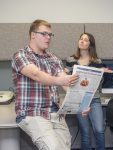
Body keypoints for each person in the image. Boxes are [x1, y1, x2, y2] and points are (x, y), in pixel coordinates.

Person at [11, 19, 81, 150]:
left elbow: (65, 82)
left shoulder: (53, 58)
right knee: (52, 147)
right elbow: (36, 74)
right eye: (44, 34)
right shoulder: (20, 55)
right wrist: (60, 81)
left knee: (64, 147)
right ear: (33, 35)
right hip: (32, 112)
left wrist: (81, 102)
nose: (48, 37)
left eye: (50, 35)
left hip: (55, 112)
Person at [66, 32, 113, 150]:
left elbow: (101, 82)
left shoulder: (97, 61)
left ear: (90, 44)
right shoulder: (71, 59)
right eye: (80, 39)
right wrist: (65, 74)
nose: (82, 41)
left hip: (94, 99)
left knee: (99, 130)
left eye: (86, 40)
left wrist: (103, 73)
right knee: (85, 132)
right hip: (79, 100)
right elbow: (66, 79)